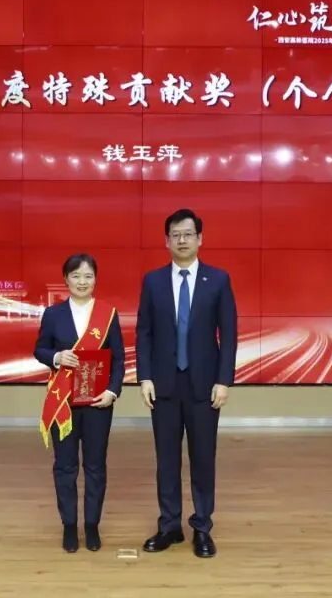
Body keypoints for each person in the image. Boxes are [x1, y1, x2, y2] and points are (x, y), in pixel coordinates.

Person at [135, 208, 238, 558]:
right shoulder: (153, 281)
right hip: (164, 384)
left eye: (188, 234)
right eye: (175, 234)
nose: (182, 240)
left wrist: (224, 380)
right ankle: (169, 526)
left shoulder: (218, 280)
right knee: (166, 459)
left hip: (204, 386)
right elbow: (144, 332)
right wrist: (145, 376)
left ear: (200, 239)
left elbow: (229, 334)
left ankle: (202, 527)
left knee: (203, 459)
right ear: (166, 241)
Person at [33, 253, 125, 553]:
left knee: (96, 466)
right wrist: (57, 357)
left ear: (95, 279)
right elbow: (40, 350)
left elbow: (119, 360)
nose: (82, 282)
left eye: (88, 276)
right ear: (66, 279)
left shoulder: (108, 314)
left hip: (99, 403)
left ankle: (92, 525)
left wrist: (112, 391)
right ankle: (70, 526)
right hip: (64, 403)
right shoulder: (53, 314)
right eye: (76, 276)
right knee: (65, 466)